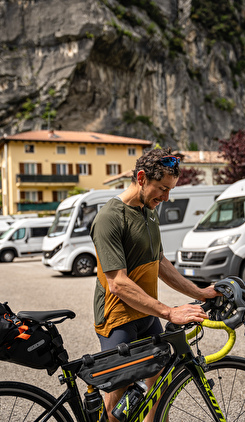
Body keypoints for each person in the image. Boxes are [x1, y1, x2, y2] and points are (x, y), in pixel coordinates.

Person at [90, 147, 219, 421]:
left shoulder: (149, 213)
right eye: (161, 188)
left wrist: (201, 292)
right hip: (118, 319)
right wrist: (170, 312)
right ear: (140, 178)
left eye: (170, 189)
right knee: (117, 406)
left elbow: (159, 263)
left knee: (159, 388)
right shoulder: (109, 218)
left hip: (146, 315)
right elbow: (118, 284)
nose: (166, 197)